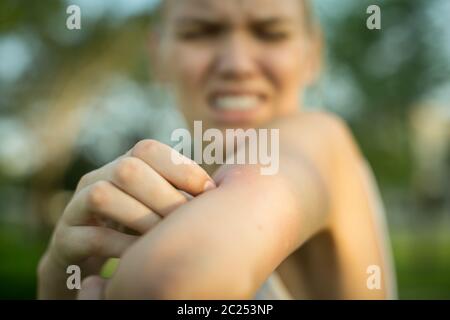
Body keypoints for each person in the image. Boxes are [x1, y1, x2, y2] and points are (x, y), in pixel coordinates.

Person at [38, 0, 396, 299]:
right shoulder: (165, 199)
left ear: (313, 56)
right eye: (200, 32)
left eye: (271, 32)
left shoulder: (322, 141)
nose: (237, 64)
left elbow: (170, 281)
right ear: (158, 56)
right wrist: (59, 282)